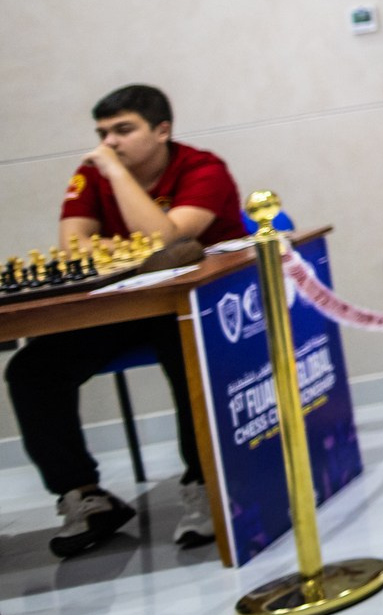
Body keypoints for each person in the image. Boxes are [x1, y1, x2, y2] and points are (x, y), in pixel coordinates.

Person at [8, 84, 241, 556]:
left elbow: (167, 241)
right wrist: (133, 238)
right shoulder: (89, 176)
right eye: (102, 134)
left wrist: (116, 175)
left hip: (200, 303)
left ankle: (204, 482)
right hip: (123, 307)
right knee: (31, 369)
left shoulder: (202, 169)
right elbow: (74, 248)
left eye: (123, 130)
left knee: (183, 343)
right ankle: (84, 496)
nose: (109, 143)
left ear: (162, 131)